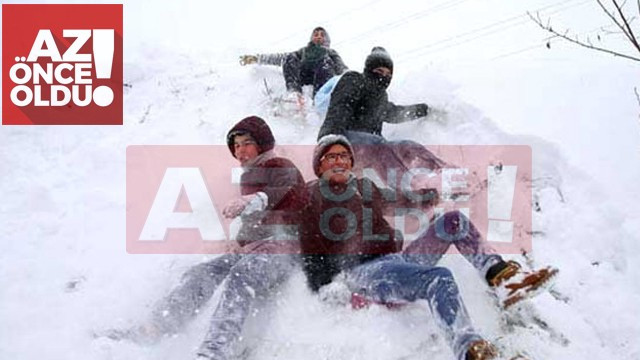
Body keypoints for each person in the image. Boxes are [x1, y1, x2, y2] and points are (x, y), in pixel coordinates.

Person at [317, 47, 557, 307]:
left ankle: (448, 175)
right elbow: (338, 107)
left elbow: (395, 113)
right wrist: (330, 143)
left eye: (388, 72)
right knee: (379, 145)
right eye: (378, 69)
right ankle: (416, 191)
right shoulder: (354, 80)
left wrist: (425, 109)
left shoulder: (381, 96)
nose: (383, 74)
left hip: (372, 144)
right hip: (343, 142)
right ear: (368, 68)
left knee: (406, 144)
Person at [103, 116, 306, 360]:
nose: (240, 151)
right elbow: (257, 221)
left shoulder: (280, 165)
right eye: (236, 145)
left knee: (241, 275)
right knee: (203, 272)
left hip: (286, 249)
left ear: (262, 143)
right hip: (256, 248)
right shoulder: (248, 177)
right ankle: (154, 327)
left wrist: (256, 199)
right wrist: (239, 242)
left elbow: (290, 190)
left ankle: (214, 351)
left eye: (246, 143)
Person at [300, 135, 502, 360]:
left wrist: (433, 196)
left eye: (345, 156)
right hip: (365, 271)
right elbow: (309, 247)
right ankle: (469, 349)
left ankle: (499, 275)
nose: (339, 161)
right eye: (331, 157)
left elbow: (401, 200)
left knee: (453, 221)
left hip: (398, 261)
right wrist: (326, 285)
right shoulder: (313, 196)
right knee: (438, 278)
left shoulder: (363, 186)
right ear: (319, 165)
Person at [239, 26, 348, 105]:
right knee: (290, 56)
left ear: (326, 40)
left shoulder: (330, 52)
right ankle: (295, 94)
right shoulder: (304, 51)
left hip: (322, 76)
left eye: (322, 35)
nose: (319, 37)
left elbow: (341, 67)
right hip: (303, 75)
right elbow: (281, 58)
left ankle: (320, 99)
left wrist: (353, 77)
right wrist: (257, 58)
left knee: (325, 60)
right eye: (316, 35)